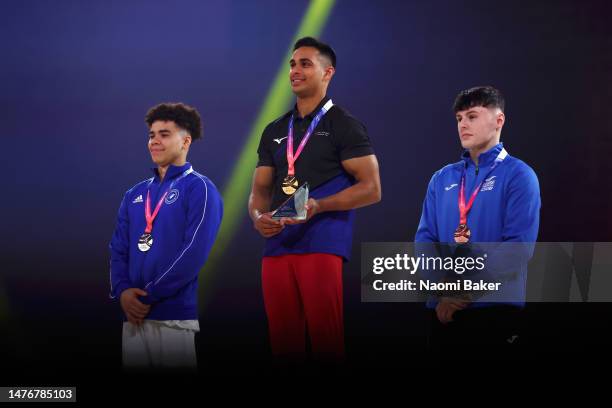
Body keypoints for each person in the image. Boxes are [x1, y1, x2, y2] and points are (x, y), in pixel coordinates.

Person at [249, 37, 381, 360]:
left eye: (305, 63)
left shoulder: (344, 126)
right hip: (277, 247)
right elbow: (259, 192)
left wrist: (320, 205)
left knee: (326, 341)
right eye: (293, 64)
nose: (295, 70)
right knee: (282, 344)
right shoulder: (274, 130)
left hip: (322, 244)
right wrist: (257, 218)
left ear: (328, 72)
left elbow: (371, 188)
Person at [415, 86, 541, 356]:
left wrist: (463, 293)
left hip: (494, 312)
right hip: (442, 310)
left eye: (472, 116)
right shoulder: (442, 178)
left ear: (499, 120)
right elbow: (424, 241)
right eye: (459, 119)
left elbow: (517, 248)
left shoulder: (520, 175)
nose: (463, 124)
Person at [109, 102, 223, 369]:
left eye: (164, 134)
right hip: (134, 318)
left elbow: (194, 253)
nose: (155, 141)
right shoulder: (134, 194)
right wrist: (123, 291)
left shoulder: (200, 189)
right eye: (152, 135)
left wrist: (147, 297)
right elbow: (117, 249)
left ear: (186, 141)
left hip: (174, 317)